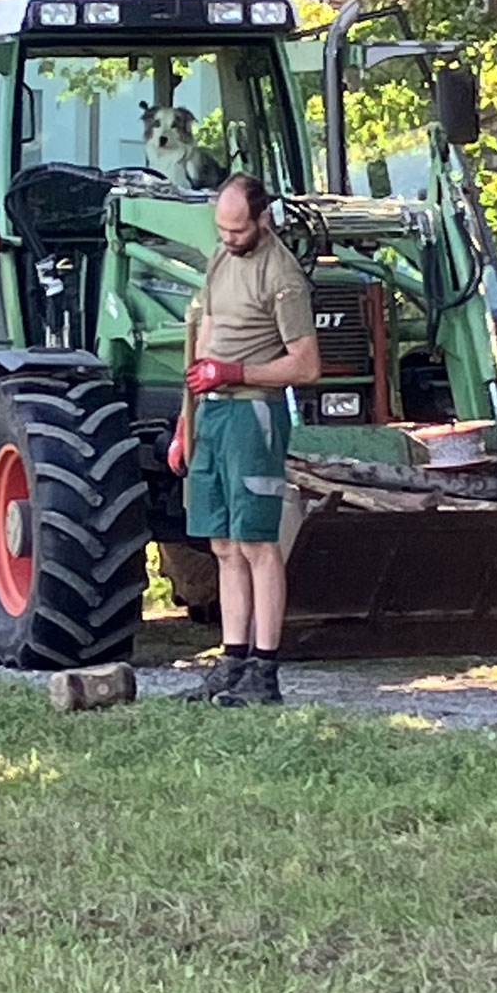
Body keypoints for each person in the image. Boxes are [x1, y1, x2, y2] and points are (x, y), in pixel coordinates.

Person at [168, 174, 321, 705]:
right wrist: (184, 423)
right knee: (224, 544)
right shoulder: (220, 258)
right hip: (210, 415)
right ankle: (232, 661)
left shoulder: (283, 277)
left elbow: (305, 365)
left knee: (257, 543)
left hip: (253, 413)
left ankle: (265, 669)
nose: (229, 238)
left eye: (237, 230)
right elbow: (205, 333)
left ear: (262, 219)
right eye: (222, 229)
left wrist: (233, 374)